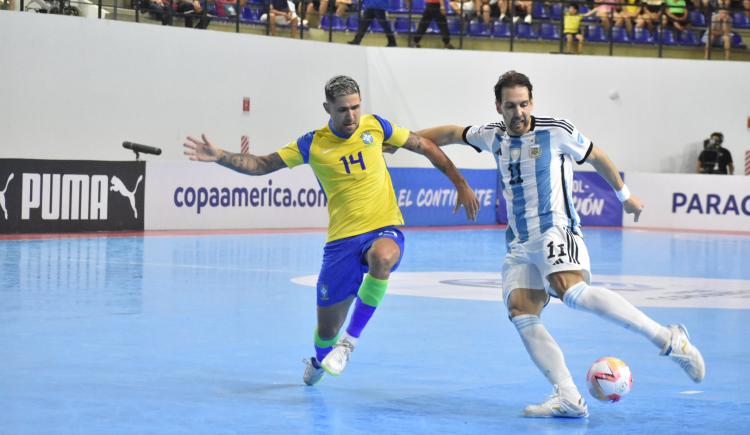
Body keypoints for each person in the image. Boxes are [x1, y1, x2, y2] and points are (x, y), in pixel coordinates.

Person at [415, 70, 705, 418]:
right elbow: (450, 133)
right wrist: (403, 139)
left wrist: (625, 196)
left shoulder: (556, 130)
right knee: (521, 311)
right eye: (510, 106)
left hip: (556, 229)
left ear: (532, 102)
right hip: (520, 242)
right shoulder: (491, 135)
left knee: (571, 291)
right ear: (498, 107)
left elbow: (597, 156)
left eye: (524, 104)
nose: (518, 112)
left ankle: (668, 340)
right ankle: (568, 396)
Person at [183, 75, 480, 386]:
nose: (351, 115)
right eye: (342, 110)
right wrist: (221, 157)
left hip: (383, 227)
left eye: (355, 107)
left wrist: (460, 183)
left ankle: (349, 344)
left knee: (384, 256)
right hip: (341, 243)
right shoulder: (312, 144)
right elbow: (262, 164)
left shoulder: (376, 127)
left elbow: (425, 145)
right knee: (326, 332)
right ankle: (320, 358)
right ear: (327, 108)